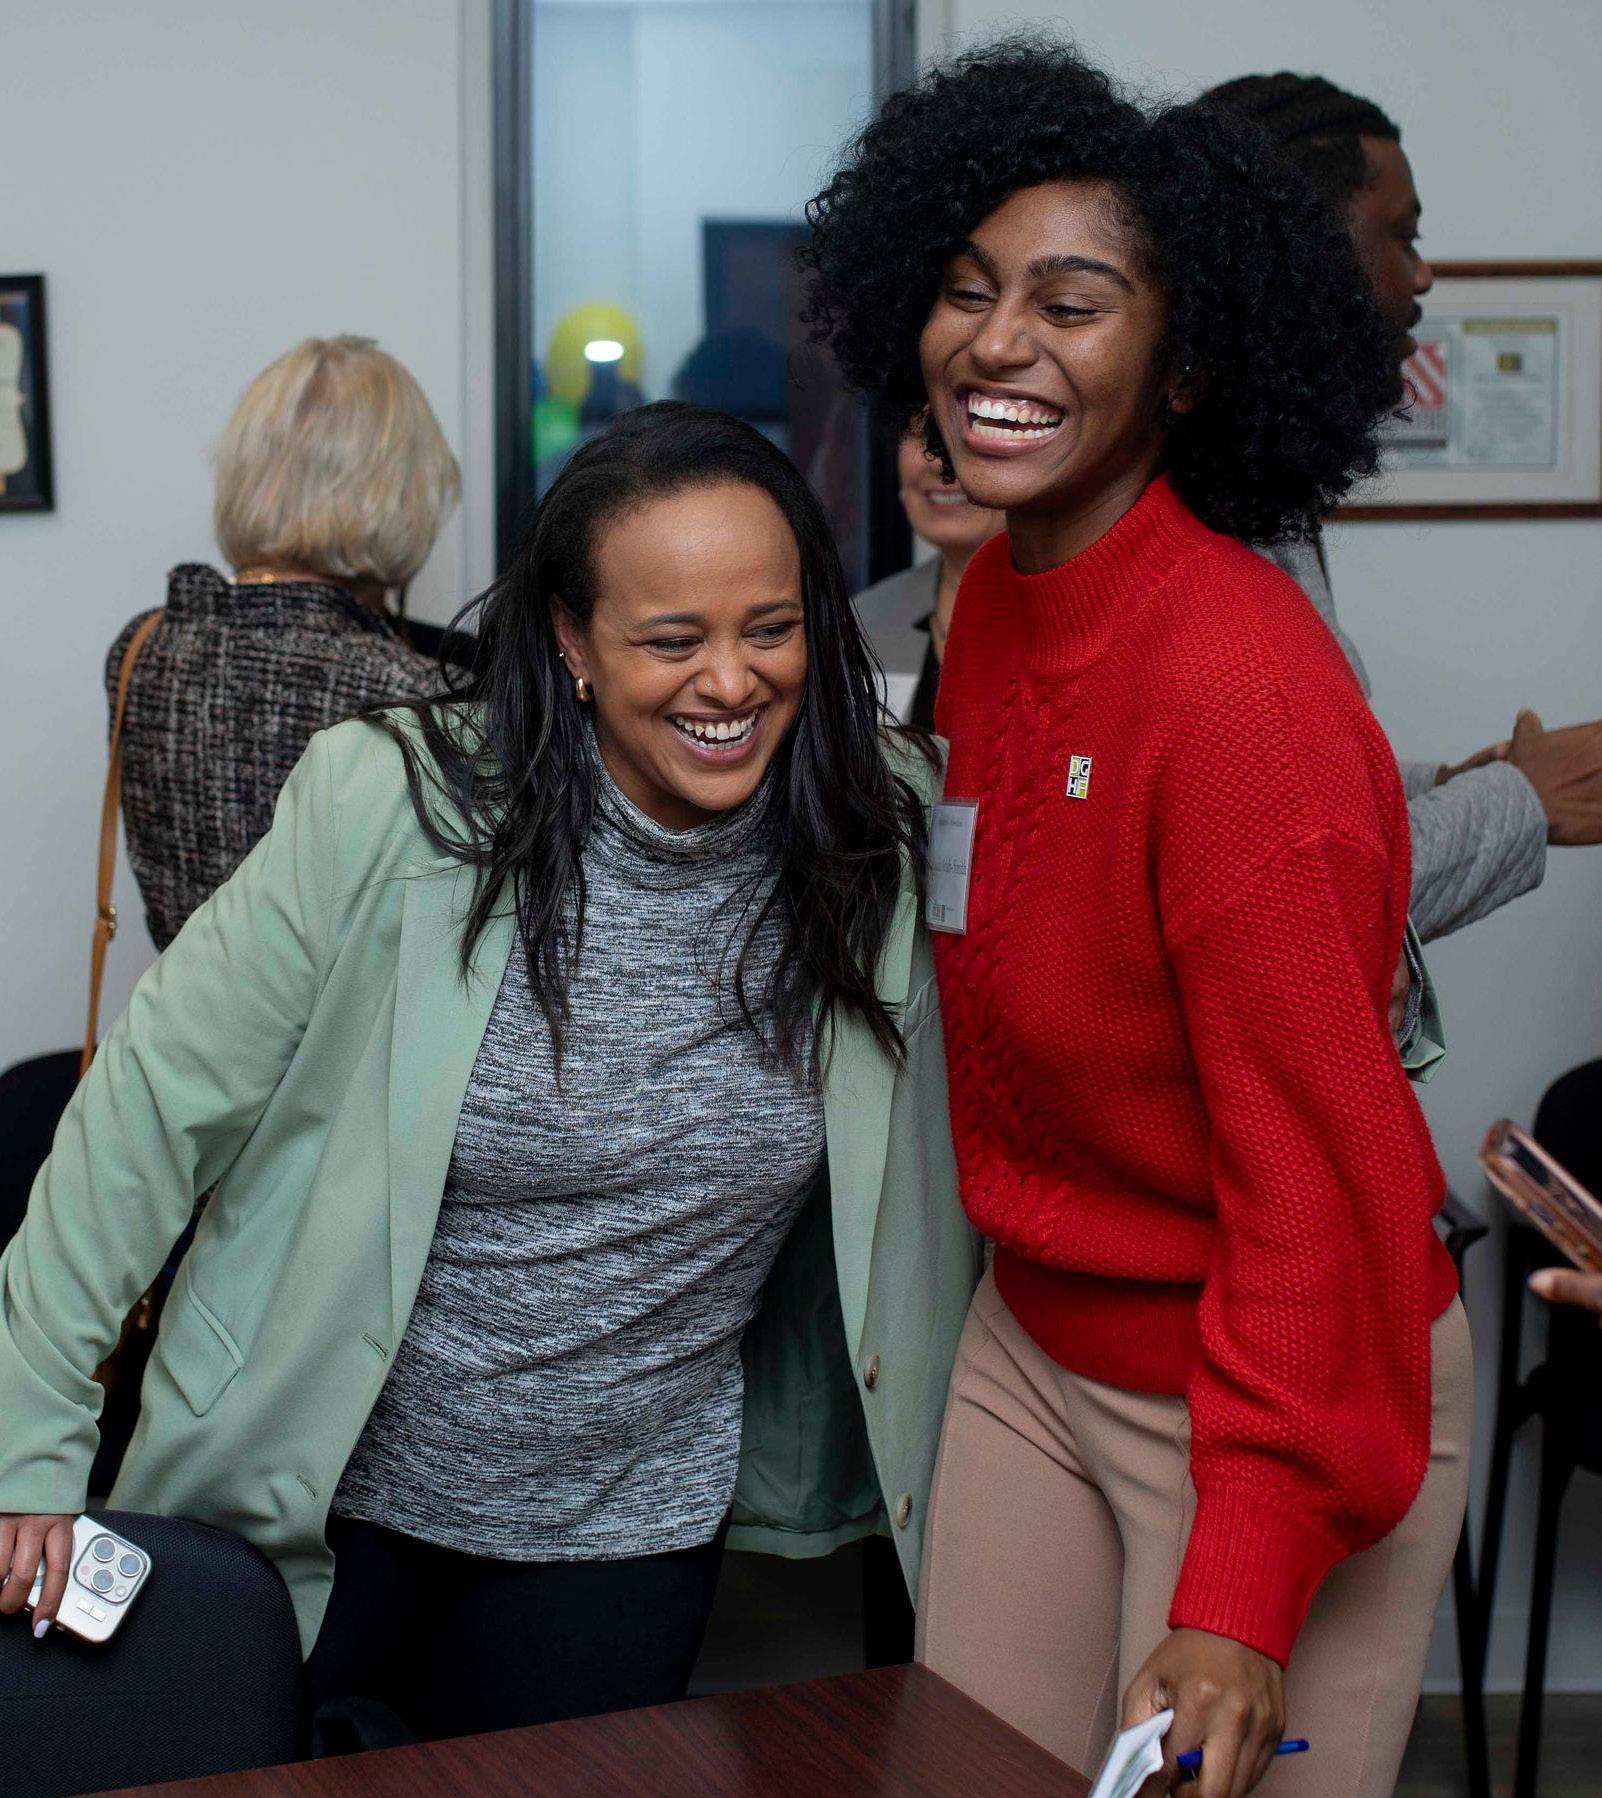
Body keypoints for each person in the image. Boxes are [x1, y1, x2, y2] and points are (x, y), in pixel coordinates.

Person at [0, 403, 979, 1744]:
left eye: (771, 627)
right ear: (572, 641)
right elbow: (143, 1118)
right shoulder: (392, 803)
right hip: (321, 1493)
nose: (730, 681)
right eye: (671, 639)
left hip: (624, 1529)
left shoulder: (885, 833)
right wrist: (27, 1441)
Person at [804, 40, 1468, 1797]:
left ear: (1184, 364)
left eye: (1070, 304)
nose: (994, 342)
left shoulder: (1239, 688)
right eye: (965, 290)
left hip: (1272, 1382)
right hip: (1033, 1341)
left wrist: (1239, 1586)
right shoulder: (987, 608)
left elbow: (1317, 1175)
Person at [1196, 74, 1602, 942]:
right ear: (1306, 244)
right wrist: (1525, 799)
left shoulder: (1257, 494)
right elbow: (1301, 895)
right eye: (1403, 235)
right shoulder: (1185, 526)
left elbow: (1307, 799)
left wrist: (1453, 785)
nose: (1422, 273)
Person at [107, 334, 462, 953]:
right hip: (356, 1022)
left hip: (183, 1014)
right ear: (405, 497)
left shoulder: (141, 650)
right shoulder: (417, 694)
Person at [854, 429, 1002, 729]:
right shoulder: (863, 620)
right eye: (924, 432)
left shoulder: (1082, 621)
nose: (939, 462)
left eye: (973, 429)